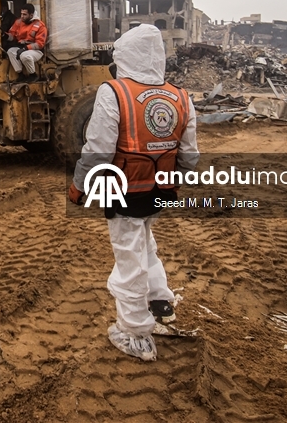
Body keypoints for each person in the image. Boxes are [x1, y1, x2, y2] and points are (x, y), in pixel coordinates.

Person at [69, 24, 199, 361]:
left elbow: (98, 149)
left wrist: (79, 187)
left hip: (125, 190)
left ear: (124, 56)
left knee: (129, 258)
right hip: (159, 191)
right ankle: (159, 299)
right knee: (145, 242)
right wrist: (170, 181)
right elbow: (189, 157)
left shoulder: (114, 92)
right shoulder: (181, 96)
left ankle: (136, 333)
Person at [5, 4, 48, 82]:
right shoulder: (18, 22)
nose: (22, 16)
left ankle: (33, 75)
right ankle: (21, 75)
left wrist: (26, 48)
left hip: (36, 51)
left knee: (24, 56)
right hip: (22, 47)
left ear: (31, 15)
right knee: (11, 51)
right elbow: (12, 35)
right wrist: (6, 36)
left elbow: (40, 44)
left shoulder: (40, 26)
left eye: (24, 14)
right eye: (21, 14)